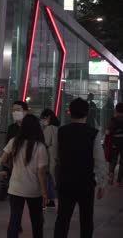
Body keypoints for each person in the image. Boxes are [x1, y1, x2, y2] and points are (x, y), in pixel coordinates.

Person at [54, 98, 107, 238]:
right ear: (87, 113)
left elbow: (54, 158)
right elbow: (99, 161)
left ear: (70, 112)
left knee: (62, 219)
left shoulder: (61, 132)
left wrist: (55, 179)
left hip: (65, 182)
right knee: (86, 219)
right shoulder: (93, 134)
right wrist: (101, 183)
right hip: (86, 183)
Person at [1, 114, 48, 238]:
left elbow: (3, 160)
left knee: (14, 220)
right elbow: (41, 173)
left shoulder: (14, 142)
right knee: (37, 221)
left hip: (15, 188)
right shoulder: (40, 147)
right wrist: (44, 193)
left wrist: (13, 167)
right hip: (33, 190)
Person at [40, 108, 60, 209]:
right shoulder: (58, 128)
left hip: (50, 156)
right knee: (53, 178)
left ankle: (48, 199)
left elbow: (46, 142)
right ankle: (52, 199)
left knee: (49, 178)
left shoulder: (49, 128)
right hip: (56, 157)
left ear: (48, 117)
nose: (43, 120)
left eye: (44, 118)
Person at [107, 102, 123, 186]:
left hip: (114, 141)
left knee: (113, 160)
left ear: (116, 110)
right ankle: (119, 180)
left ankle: (110, 178)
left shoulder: (113, 119)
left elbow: (108, 131)